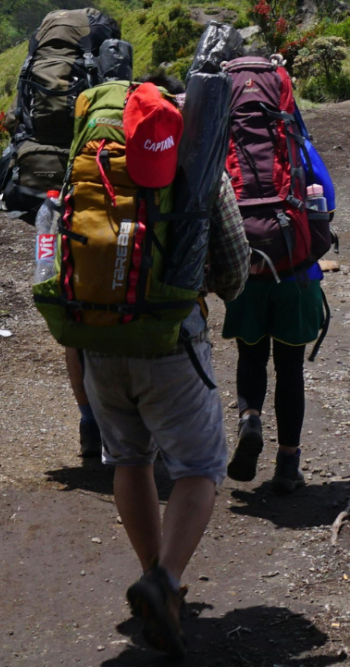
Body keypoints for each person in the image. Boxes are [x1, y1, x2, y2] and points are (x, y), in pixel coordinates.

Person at [64, 77, 249, 659]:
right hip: (170, 341)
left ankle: (154, 579)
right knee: (199, 466)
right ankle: (165, 580)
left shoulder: (88, 167)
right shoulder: (191, 161)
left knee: (129, 459)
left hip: (97, 338)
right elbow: (235, 270)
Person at [218, 49, 334, 496]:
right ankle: (288, 465)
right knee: (290, 369)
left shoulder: (223, 144)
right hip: (296, 271)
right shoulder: (294, 142)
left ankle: (250, 419)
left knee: (250, 356)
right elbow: (328, 200)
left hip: (246, 265)